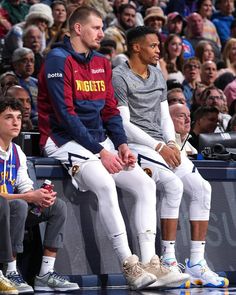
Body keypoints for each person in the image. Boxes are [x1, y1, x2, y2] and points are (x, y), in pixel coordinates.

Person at [37, 5, 187, 291]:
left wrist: (120, 145)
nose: (101, 33)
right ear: (78, 29)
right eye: (96, 28)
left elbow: (110, 111)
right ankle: (129, 265)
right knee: (105, 184)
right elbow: (65, 116)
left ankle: (152, 263)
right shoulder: (57, 60)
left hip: (99, 141)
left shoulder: (102, 63)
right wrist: (101, 150)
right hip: (61, 139)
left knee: (145, 185)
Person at [112, 25, 229, 288]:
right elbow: (123, 123)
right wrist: (157, 146)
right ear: (136, 47)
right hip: (135, 144)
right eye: (153, 46)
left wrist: (169, 142)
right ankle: (168, 260)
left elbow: (164, 114)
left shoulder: (156, 73)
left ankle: (197, 263)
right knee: (173, 186)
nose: (158, 50)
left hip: (160, 142)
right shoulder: (119, 76)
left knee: (202, 188)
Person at [0, 96, 79, 293]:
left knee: (57, 206)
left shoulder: (17, 151)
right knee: (17, 205)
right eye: (9, 117)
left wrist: (39, 197)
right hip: (5, 209)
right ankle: (10, 271)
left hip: (10, 212)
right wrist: (26, 197)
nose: (16, 122)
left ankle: (46, 273)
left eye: (18, 117)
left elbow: (25, 185)